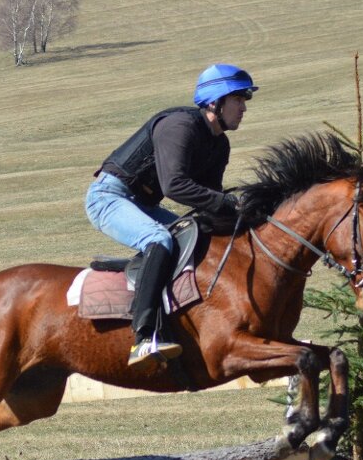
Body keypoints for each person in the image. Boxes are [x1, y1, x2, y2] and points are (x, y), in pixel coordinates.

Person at [84, 63, 258, 367]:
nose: (244, 108)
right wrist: (226, 204)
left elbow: (210, 201)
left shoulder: (219, 144)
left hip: (144, 205)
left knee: (203, 235)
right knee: (159, 238)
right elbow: (175, 185)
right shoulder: (179, 125)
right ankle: (144, 335)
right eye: (239, 100)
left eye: (245, 100)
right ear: (216, 101)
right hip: (109, 197)